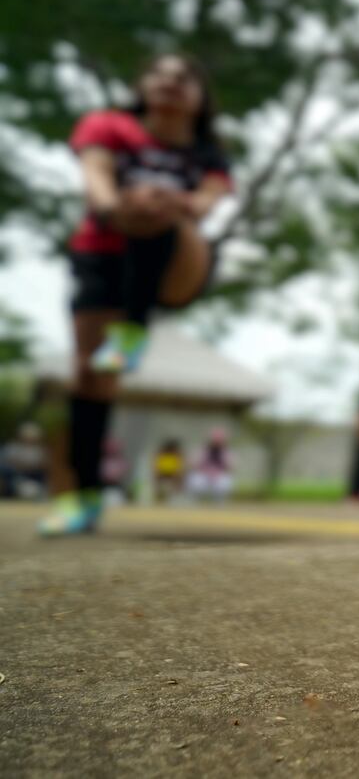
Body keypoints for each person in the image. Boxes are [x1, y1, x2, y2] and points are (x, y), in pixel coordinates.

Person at [38, 54, 232, 535]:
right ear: (141, 86)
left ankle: (136, 324)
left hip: (174, 264)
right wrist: (118, 208)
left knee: (160, 212)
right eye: (159, 74)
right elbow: (96, 183)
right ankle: (81, 496)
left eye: (185, 77)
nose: (170, 82)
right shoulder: (107, 127)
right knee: (93, 376)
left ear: (200, 99)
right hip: (103, 256)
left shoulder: (208, 154)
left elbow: (208, 202)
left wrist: (172, 202)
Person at [1, 423, 46, 499]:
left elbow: (41, 465)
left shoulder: (39, 450)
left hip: (33, 476)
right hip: (14, 476)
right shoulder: (12, 447)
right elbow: (8, 463)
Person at [188, 428, 234, 504]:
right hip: (203, 474)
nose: (217, 443)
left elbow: (231, 466)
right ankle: (194, 502)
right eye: (215, 440)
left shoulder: (226, 452)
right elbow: (193, 463)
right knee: (195, 481)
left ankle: (219, 502)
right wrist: (205, 470)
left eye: (219, 441)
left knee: (224, 482)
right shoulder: (202, 450)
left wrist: (218, 470)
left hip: (219, 475)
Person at [153, 438, 185, 502]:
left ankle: (176, 495)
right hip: (163, 472)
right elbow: (157, 466)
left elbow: (179, 466)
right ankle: (159, 494)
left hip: (173, 473)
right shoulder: (162, 454)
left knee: (178, 478)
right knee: (157, 477)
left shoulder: (177, 455)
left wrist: (177, 473)